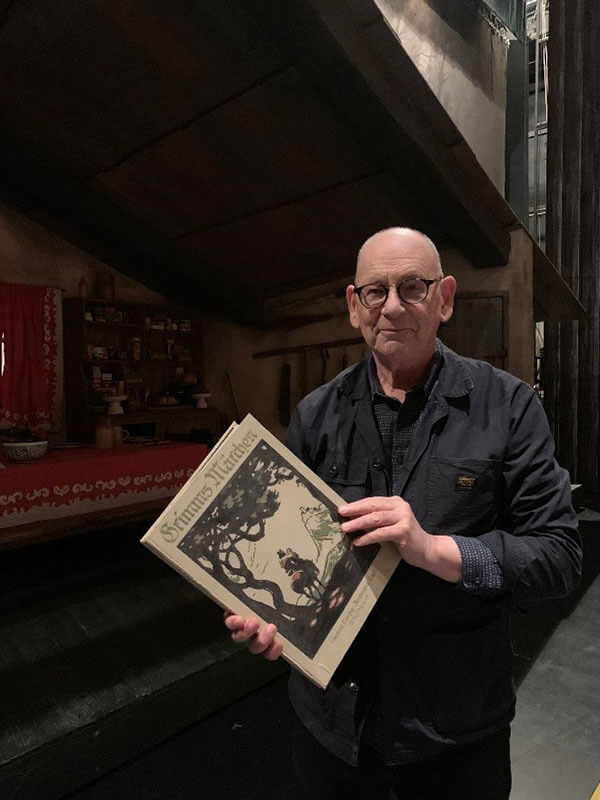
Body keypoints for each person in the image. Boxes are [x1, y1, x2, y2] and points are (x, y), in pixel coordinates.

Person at [225, 228, 582, 800]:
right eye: (376, 291)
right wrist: (270, 621)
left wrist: (433, 549)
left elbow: (558, 557)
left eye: (412, 287)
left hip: (455, 733)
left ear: (444, 298)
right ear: (354, 306)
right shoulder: (316, 416)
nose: (392, 306)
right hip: (334, 731)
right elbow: (281, 549)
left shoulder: (508, 407)